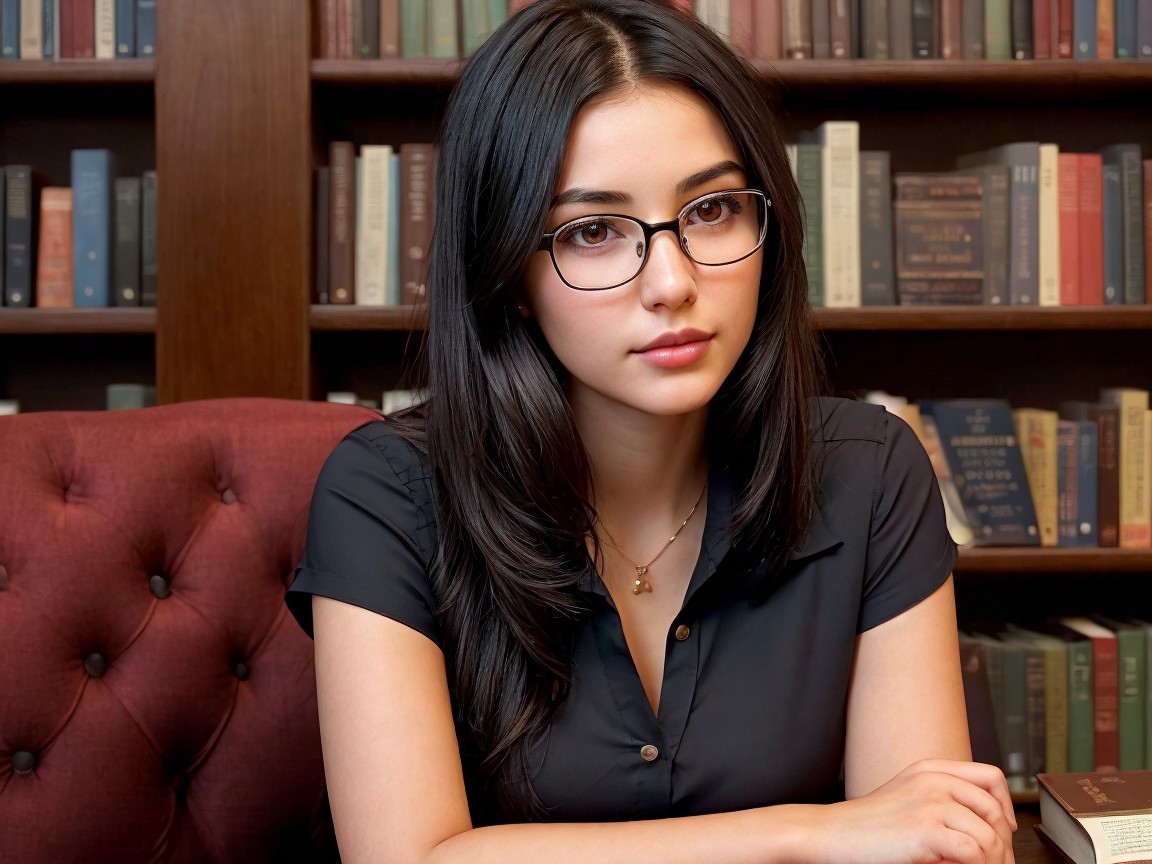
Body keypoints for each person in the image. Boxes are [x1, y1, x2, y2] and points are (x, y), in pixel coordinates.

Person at [285, 1, 1017, 861]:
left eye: (711, 211)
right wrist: (808, 835)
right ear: (509, 270)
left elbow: (923, 838)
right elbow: (409, 858)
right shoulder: (387, 494)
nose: (672, 281)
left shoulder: (870, 472)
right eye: (594, 230)